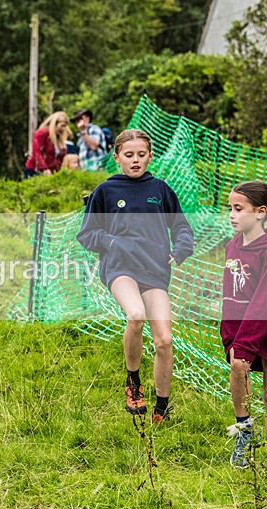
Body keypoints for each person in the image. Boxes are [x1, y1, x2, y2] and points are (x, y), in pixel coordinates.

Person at [77, 129, 194, 422]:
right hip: (120, 268)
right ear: (117, 157)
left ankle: (162, 408)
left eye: (141, 154)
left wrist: (180, 250)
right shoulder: (105, 191)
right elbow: (87, 234)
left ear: (150, 156)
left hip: (154, 270)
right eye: (129, 155)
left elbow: (182, 227)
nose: (135, 160)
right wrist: (112, 242)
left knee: (164, 340)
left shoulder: (161, 190)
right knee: (136, 314)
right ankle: (133, 382)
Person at [221, 181, 267, 468]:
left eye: (239, 209)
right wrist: (230, 335)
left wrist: (246, 340)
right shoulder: (232, 246)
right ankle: (244, 430)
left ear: (261, 212)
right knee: (238, 365)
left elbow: (263, 300)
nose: (232, 215)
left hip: (261, 322)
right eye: (230, 208)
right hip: (244, 327)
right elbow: (230, 295)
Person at [24, 112, 71, 178]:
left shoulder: (59, 138)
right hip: (35, 170)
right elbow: (36, 152)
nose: (63, 129)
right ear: (55, 123)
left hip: (52, 172)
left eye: (65, 126)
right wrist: (44, 168)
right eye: (62, 125)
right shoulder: (42, 133)